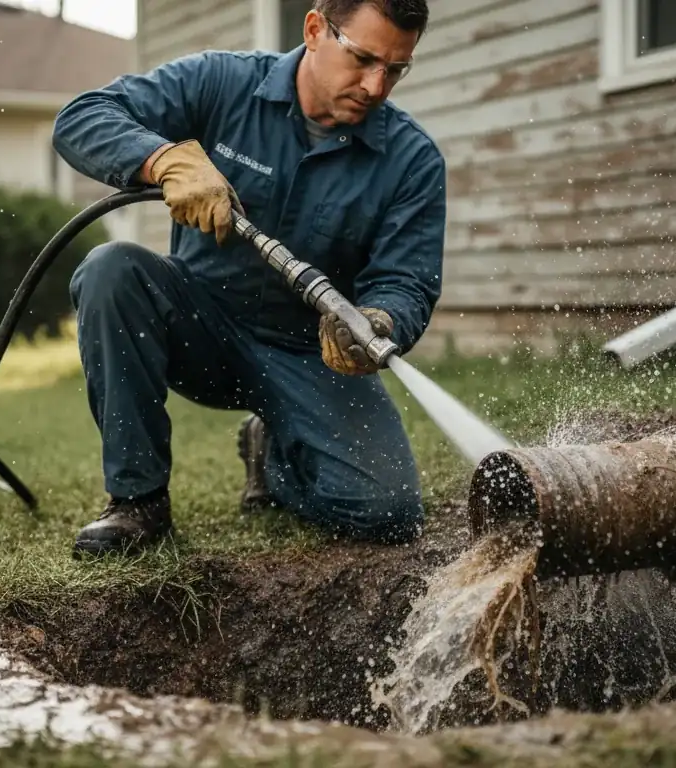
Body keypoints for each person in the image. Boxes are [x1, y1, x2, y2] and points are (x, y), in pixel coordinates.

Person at [51, 0, 445, 557]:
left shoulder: (412, 161)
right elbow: (81, 117)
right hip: (199, 327)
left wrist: (381, 319)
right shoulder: (222, 83)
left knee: (388, 512)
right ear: (315, 29)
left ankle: (273, 456)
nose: (376, 86)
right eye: (363, 59)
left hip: (310, 352)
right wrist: (163, 159)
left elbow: (407, 280)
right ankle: (138, 501)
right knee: (110, 269)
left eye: (395, 69)